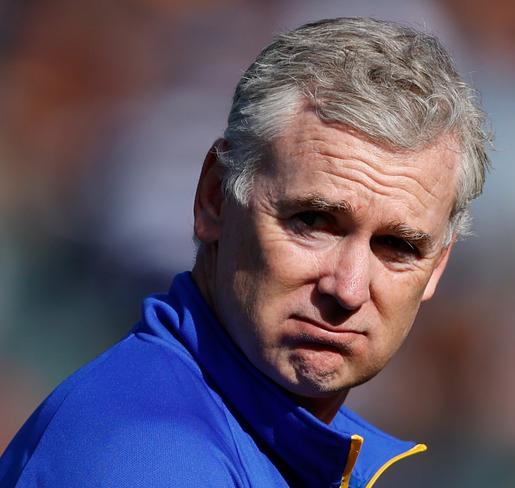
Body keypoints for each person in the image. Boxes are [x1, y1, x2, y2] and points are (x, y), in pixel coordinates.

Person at [0, 17, 490, 487]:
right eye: (313, 221)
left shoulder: (256, 441)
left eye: (398, 246)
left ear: (438, 266)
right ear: (215, 197)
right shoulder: (150, 458)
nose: (349, 287)